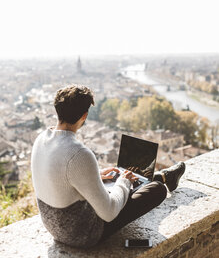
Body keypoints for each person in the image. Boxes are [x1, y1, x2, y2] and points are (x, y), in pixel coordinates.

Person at [31, 84, 185, 248]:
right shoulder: (79, 154)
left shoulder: (41, 139)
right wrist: (124, 182)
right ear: (84, 116)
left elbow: (62, 176)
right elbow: (109, 212)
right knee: (157, 190)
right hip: (82, 234)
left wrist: (98, 175)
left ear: (57, 110)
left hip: (54, 227)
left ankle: (162, 176)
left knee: (120, 179)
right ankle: (161, 179)